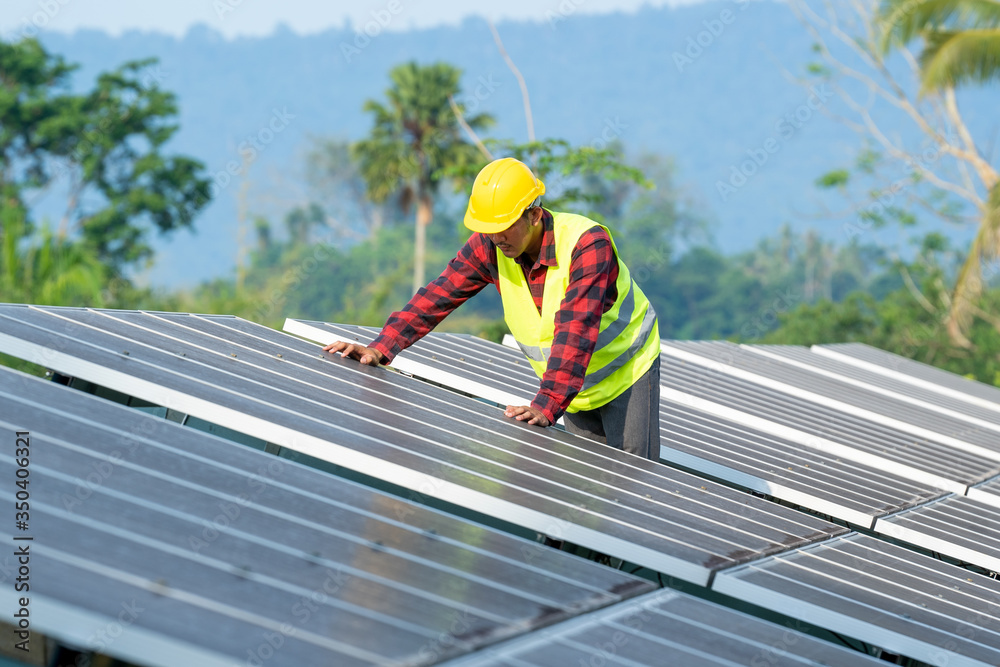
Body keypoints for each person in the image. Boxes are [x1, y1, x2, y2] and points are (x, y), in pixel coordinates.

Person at [325, 157, 661, 461]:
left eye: (503, 226)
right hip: (571, 388)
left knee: (631, 488)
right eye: (487, 228)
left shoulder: (587, 245)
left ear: (534, 214)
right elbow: (439, 294)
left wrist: (546, 405)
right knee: (587, 492)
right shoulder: (491, 245)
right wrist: (380, 347)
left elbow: (576, 330)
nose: (495, 237)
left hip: (625, 374)